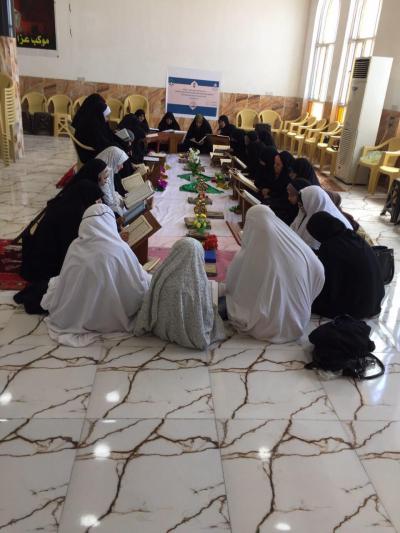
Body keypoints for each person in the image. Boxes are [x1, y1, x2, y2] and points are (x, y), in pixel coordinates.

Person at [41, 204, 151, 347]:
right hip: (115, 316)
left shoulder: (75, 246)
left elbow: (66, 280)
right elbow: (136, 286)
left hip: (75, 312)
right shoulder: (121, 249)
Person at [225, 205, 324, 343]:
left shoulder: (248, 255)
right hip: (299, 320)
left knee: (225, 300)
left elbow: (231, 285)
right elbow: (318, 271)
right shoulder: (297, 245)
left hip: (264, 325)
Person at [134, 238, 226, 349]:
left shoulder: (161, 275)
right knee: (223, 302)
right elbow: (205, 310)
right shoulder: (199, 284)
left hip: (161, 329)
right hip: (192, 332)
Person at [20, 180, 103, 283]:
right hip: (47, 266)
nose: (99, 203)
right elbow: (69, 248)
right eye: (97, 200)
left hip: (41, 257)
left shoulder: (66, 203)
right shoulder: (72, 214)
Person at [307, 212, 385, 319]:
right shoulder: (351, 235)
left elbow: (329, 283)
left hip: (357, 308)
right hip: (375, 300)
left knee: (308, 300)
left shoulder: (330, 247)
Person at [74, 98, 126, 162]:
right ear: (100, 115)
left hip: (95, 150)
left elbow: (104, 137)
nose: (108, 119)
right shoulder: (93, 126)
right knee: (117, 148)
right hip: (90, 155)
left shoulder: (96, 121)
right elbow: (100, 143)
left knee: (118, 145)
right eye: (106, 116)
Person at [96, 146, 129, 216]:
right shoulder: (103, 175)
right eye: (120, 163)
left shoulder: (108, 169)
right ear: (113, 160)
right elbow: (109, 201)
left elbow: (112, 192)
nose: (122, 166)